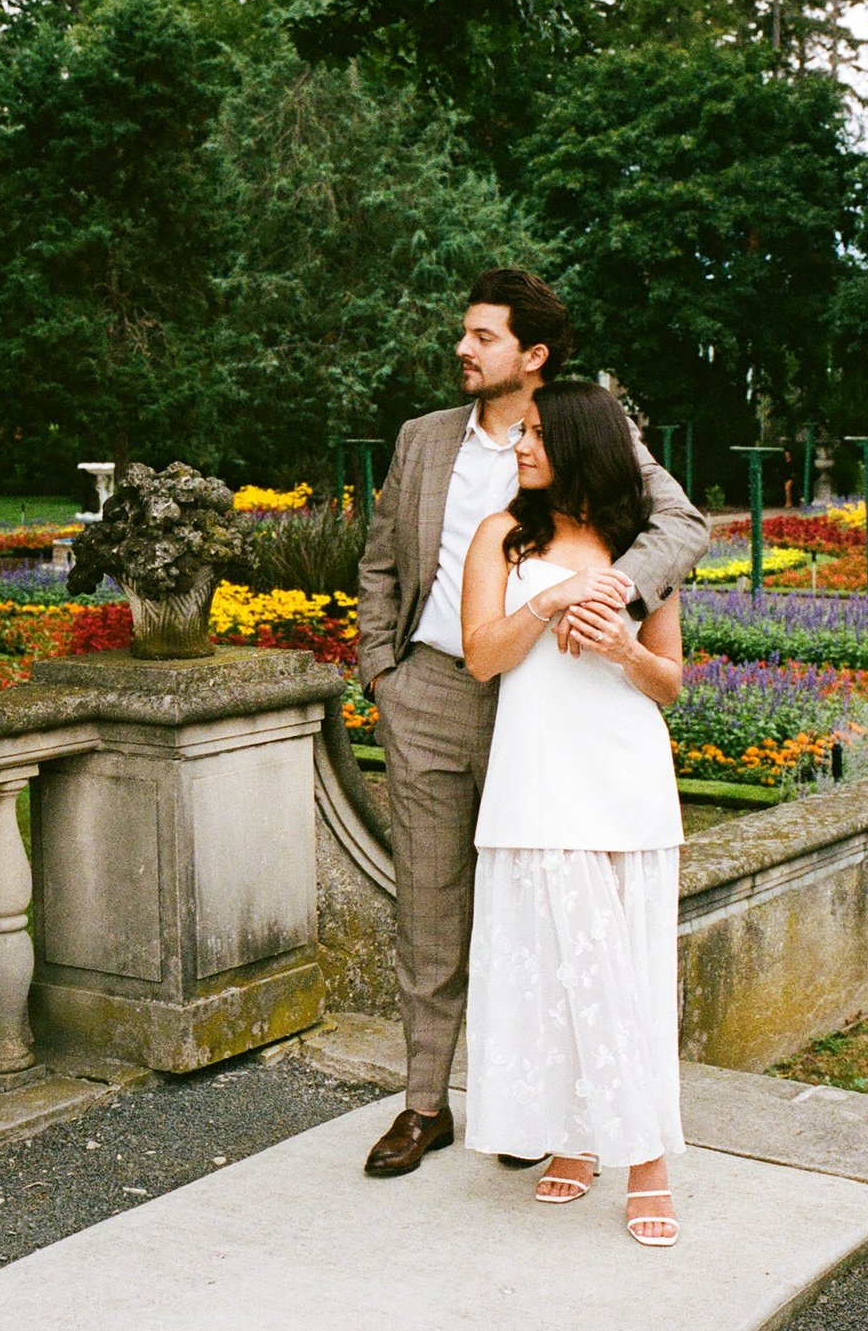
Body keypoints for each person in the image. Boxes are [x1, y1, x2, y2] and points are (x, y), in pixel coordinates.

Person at [354, 270, 707, 1181]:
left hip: (546, 699)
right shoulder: (424, 437)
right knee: (430, 908)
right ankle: (424, 1103)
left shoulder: (587, 429)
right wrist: (383, 674)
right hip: (433, 689)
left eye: (484, 336)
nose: (462, 348)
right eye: (465, 332)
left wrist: (612, 601)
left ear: (534, 354)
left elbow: (679, 524)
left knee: (540, 912)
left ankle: (532, 1107)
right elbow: (380, 563)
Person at [459, 379, 689, 1247]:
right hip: (538, 776)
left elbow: (668, 681)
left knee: (621, 972)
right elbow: (482, 655)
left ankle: (640, 1158)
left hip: (624, 776)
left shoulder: (640, 550)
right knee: (564, 968)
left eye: (536, 433)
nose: (520, 446)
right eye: (520, 432)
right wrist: (549, 599)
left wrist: (624, 644)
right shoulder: (501, 536)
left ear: (581, 443)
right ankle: (583, 1139)